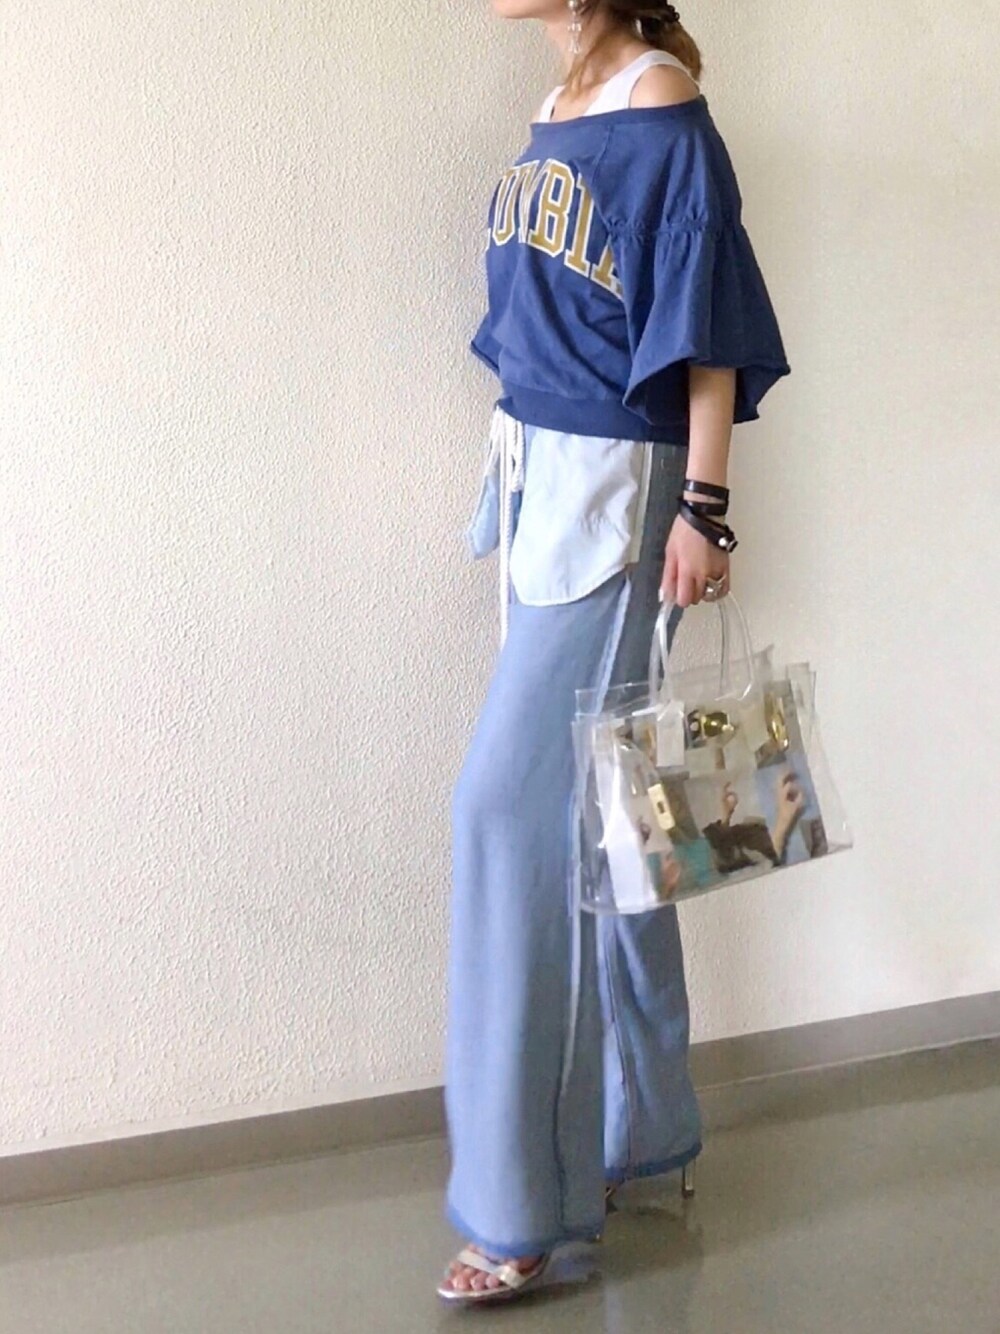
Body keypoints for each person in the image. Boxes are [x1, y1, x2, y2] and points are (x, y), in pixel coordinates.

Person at [438, 0, 790, 1305]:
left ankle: (520, 1207)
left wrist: (704, 508)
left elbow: (703, 321)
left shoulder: (656, 100)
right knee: (608, 819)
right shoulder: (561, 102)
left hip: (621, 499)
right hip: (544, 485)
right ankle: (636, 1130)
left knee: (504, 813)